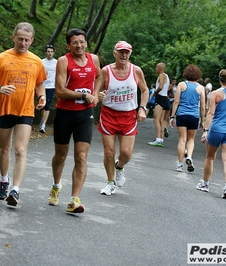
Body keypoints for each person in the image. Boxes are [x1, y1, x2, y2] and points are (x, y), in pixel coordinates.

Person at [0, 22, 47, 206]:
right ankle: (4, 180)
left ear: (32, 41)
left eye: (26, 40)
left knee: (20, 150)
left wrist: (41, 97)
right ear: (14, 38)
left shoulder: (36, 61)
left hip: (25, 111)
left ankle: (15, 190)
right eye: (20, 39)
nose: (23, 43)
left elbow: (40, 82)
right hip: (4, 110)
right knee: (4, 149)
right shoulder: (1, 58)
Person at [47, 28, 102, 213]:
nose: (79, 45)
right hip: (65, 113)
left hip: (85, 115)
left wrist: (94, 93)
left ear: (86, 43)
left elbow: (100, 76)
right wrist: (83, 94)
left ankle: (74, 199)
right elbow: (60, 91)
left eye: (81, 41)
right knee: (61, 156)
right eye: (75, 42)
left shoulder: (93, 59)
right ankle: (56, 186)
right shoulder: (64, 61)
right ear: (68, 45)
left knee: (81, 156)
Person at [97, 41, 149, 196]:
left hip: (128, 116)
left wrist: (142, 108)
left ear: (130, 54)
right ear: (115, 53)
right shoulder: (106, 71)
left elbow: (145, 90)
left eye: (127, 52)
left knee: (126, 153)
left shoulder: (136, 71)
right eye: (121, 52)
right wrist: (98, 95)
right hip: (109, 115)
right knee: (109, 151)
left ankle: (119, 167)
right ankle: (110, 182)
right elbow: (96, 91)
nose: (124, 55)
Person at [197, 69, 226, 199]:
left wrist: (205, 130)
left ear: (220, 79)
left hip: (216, 129)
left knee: (210, 157)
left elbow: (210, 113)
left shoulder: (216, 94)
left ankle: (205, 184)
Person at [169, 65, 206, 172]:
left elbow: (176, 102)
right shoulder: (200, 88)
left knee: (182, 140)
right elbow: (202, 106)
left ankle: (180, 165)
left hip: (182, 115)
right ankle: (189, 156)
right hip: (194, 116)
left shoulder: (181, 84)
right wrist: (202, 120)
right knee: (191, 139)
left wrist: (172, 116)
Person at [148, 62, 170, 146]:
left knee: (156, 119)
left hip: (160, 97)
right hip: (165, 98)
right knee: (161, 120)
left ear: (160, 68)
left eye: (157, 67)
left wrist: (155, 92)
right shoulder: (167, 76)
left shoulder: (161, 75)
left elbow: (160, 86)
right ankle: (161, 139)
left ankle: (158, 138)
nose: (156, 69)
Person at [39, 44, 58, 133]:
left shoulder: (57, 62)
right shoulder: (41, 62)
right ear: (46, 52)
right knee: (42, 104)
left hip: (51, 86)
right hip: (42, 85)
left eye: (51, 52)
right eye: (48, 51)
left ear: (53, 53)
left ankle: (43, 125)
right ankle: (42, 119)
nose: (50, 53)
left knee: (47, 105)